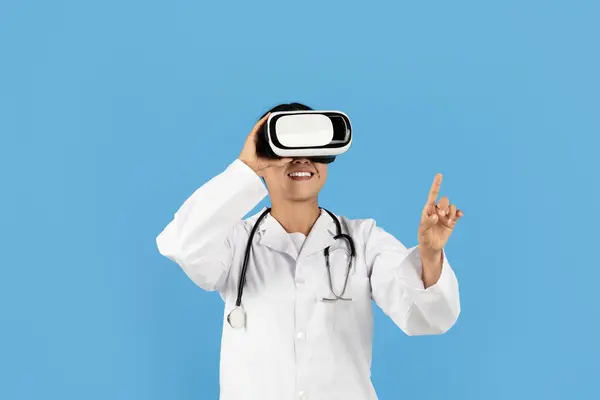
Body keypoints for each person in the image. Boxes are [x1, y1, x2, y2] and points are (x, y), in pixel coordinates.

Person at [156, 102, 464, 400]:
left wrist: (429, 255)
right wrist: (244, 167)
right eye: (287, 149)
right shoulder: (233, 242)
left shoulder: (363, 239)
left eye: (313, 150)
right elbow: (183, 244)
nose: (302, 159)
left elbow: (427, 317)